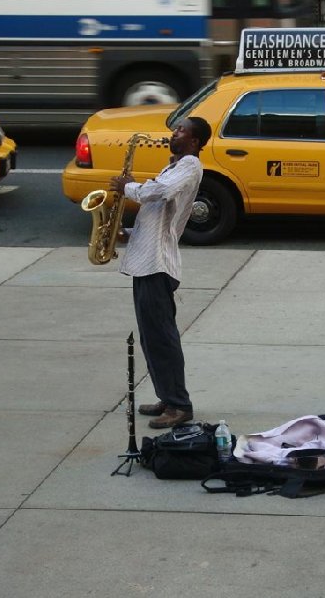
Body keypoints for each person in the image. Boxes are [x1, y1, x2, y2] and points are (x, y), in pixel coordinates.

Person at [109, 116, 212, 429]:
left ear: (195, 141)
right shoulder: (173, 166)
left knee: (163, 339)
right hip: (145, 262)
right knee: (150, 339)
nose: (174, 132)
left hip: (158, 265)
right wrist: (125, 232)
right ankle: (168, 398)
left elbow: (160, 193)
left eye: (181, 129)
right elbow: (154, 216)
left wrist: (127, 186)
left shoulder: (191, 165)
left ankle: (180, 405)